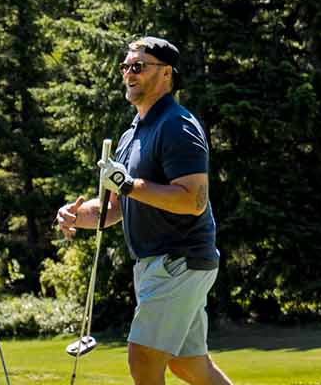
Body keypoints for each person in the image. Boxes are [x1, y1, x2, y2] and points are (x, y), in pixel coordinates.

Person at [54, 37, 231, 385]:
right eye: (125, 67)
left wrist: (127, 184)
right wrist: (78, 215)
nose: (129, 73)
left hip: (179, 260)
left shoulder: (178, 125)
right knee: (189, 365)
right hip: (159, 264)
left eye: (138, 66)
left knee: (144, 357)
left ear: (166, 73)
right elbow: (115, 206)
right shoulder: (131, 134)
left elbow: (193, 201)